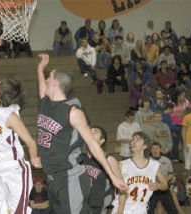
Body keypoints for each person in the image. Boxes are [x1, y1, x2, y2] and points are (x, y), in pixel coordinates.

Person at [37, 54, 127, 214]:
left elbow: (93, 144)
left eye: (48, 77)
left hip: (69, 178)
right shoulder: (45, 103)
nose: (46, 79)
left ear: (55, 83)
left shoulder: (73, 113)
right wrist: (40, 69)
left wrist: (112, 176)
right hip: (52, 178)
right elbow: (42, 89)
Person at [0, 38, 41, 214]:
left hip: (13, 168)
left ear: (1, 95)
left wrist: (34, 158)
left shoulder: (10, 115)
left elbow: (30, 141)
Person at [112, 132, 169, 214]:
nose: (133, 142)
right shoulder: (122, 165)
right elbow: (121, 190)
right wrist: (120, 211)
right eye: (132, 139)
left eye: (137, 139)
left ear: (145, 145)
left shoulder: (154, 165)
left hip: (141, 209)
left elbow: (165, 185)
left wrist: (158, 185)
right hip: (123, 208)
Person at [85, 126, 121, 214]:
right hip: (78, 205)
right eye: (89, 131)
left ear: (102, 140)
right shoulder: (77, 157)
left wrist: (120, 209)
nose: (90, 132)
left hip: (97, 207)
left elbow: (122, 188)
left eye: (95, 131)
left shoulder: (109, 160)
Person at [149, 142, 184, 214]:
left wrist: (165, 180)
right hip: (151, 186)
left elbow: (171, 174)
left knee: (171, 194)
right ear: (150, 150)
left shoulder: (166, 160)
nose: (154, 150)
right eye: (153, 148)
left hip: (164, 185)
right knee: (158, 203)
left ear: (160, 150)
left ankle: (180, 211)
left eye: (156, 148)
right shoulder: (147, 160)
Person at [182, 108, 191, 177]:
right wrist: (185, 143)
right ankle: (188, 180)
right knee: (188, 162)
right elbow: (183, 131)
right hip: (189, 143)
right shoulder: (187, 117)